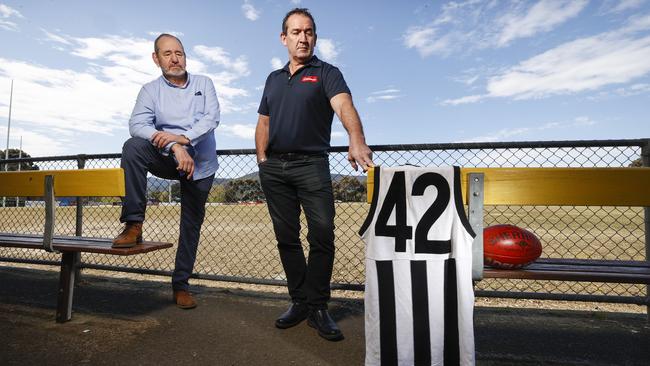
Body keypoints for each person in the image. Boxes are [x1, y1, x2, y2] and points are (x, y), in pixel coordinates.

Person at [255, 8, 373, 341]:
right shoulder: (273, 79)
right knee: (287, 238)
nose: (302, 37)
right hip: (274, 169)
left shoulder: (327, 73)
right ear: (284, 38)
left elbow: (343, 104)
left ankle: (318, 306)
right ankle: (300, 302)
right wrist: (262, 160)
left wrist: (356, 138)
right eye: (295, 32)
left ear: (315, 38)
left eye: (308, 32)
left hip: (311, 166)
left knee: (322, 235)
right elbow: (263, 122)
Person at [112, 33, 220, 310]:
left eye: (179, 53)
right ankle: (133, 224)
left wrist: (184, 140)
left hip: (201, 166)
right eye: (167, 53)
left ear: (185, 56)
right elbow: (137, 125)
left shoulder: (203, 84)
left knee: (190, 227)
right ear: (156, 58)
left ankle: (180, 286)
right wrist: (174, 145)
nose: (174, 59)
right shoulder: (150, 90)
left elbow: (211, 118)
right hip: (168, 158)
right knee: (133, 147)